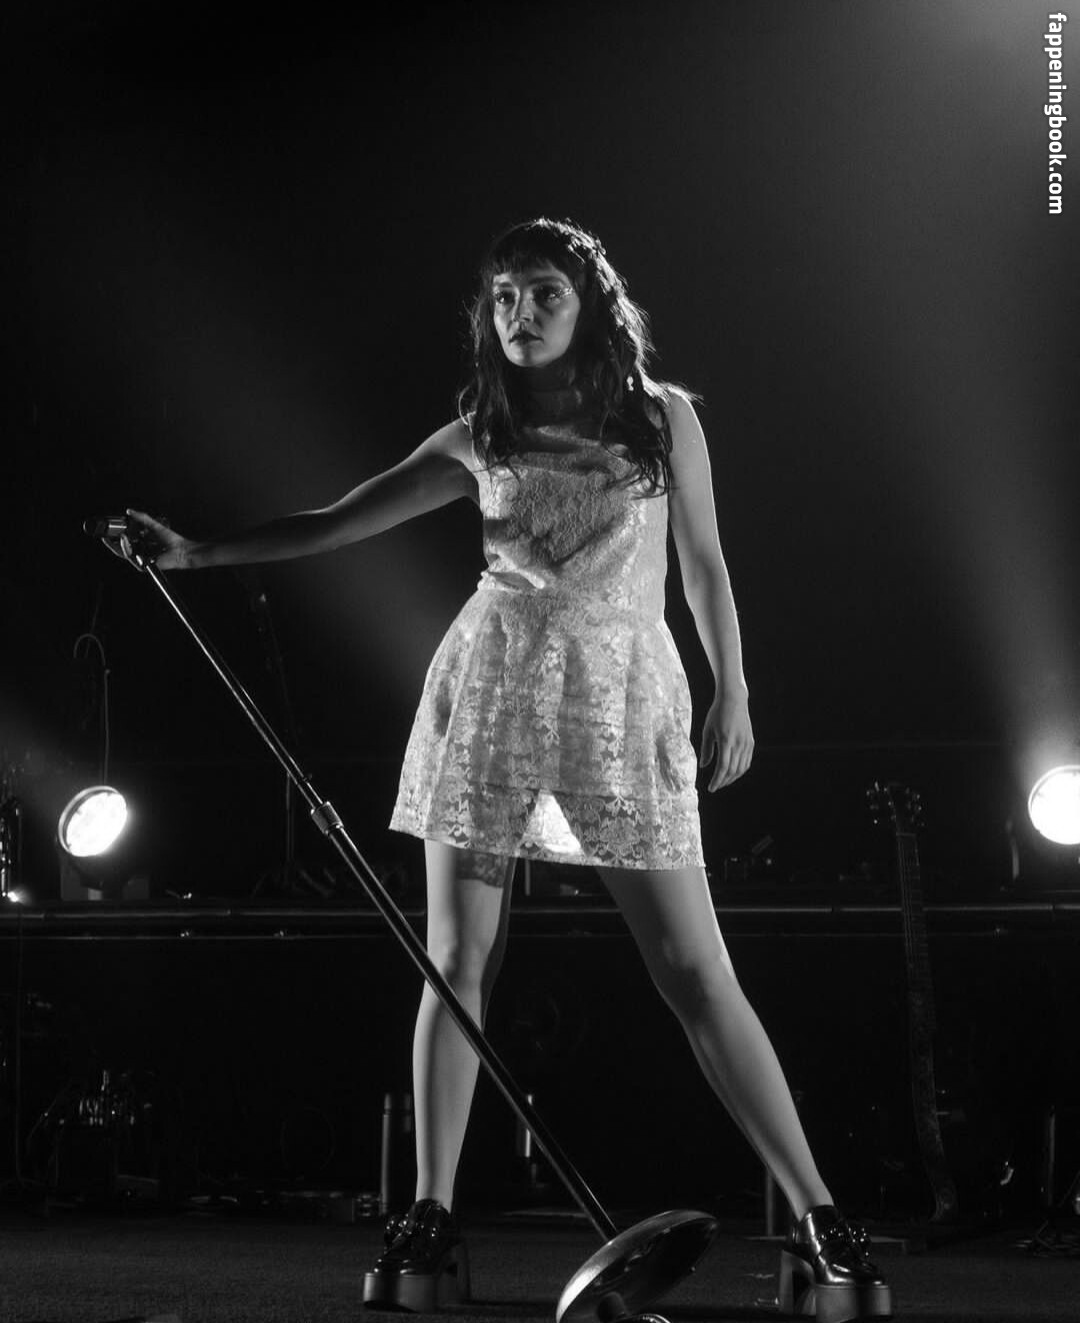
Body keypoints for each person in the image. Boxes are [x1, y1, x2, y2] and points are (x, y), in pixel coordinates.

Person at [127, 217, 892, 1320]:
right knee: (456, 959)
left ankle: (820, 1215)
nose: (518, 314)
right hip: (490, 690)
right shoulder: (476, 434)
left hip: (622, 697)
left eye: (541, 293)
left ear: (590, 306)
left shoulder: (662, 418)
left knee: (694, 968)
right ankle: (429, 1211)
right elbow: (339, 520)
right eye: (502, 297)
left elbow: (705, 567)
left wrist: (735, 691)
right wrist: (198, 553)